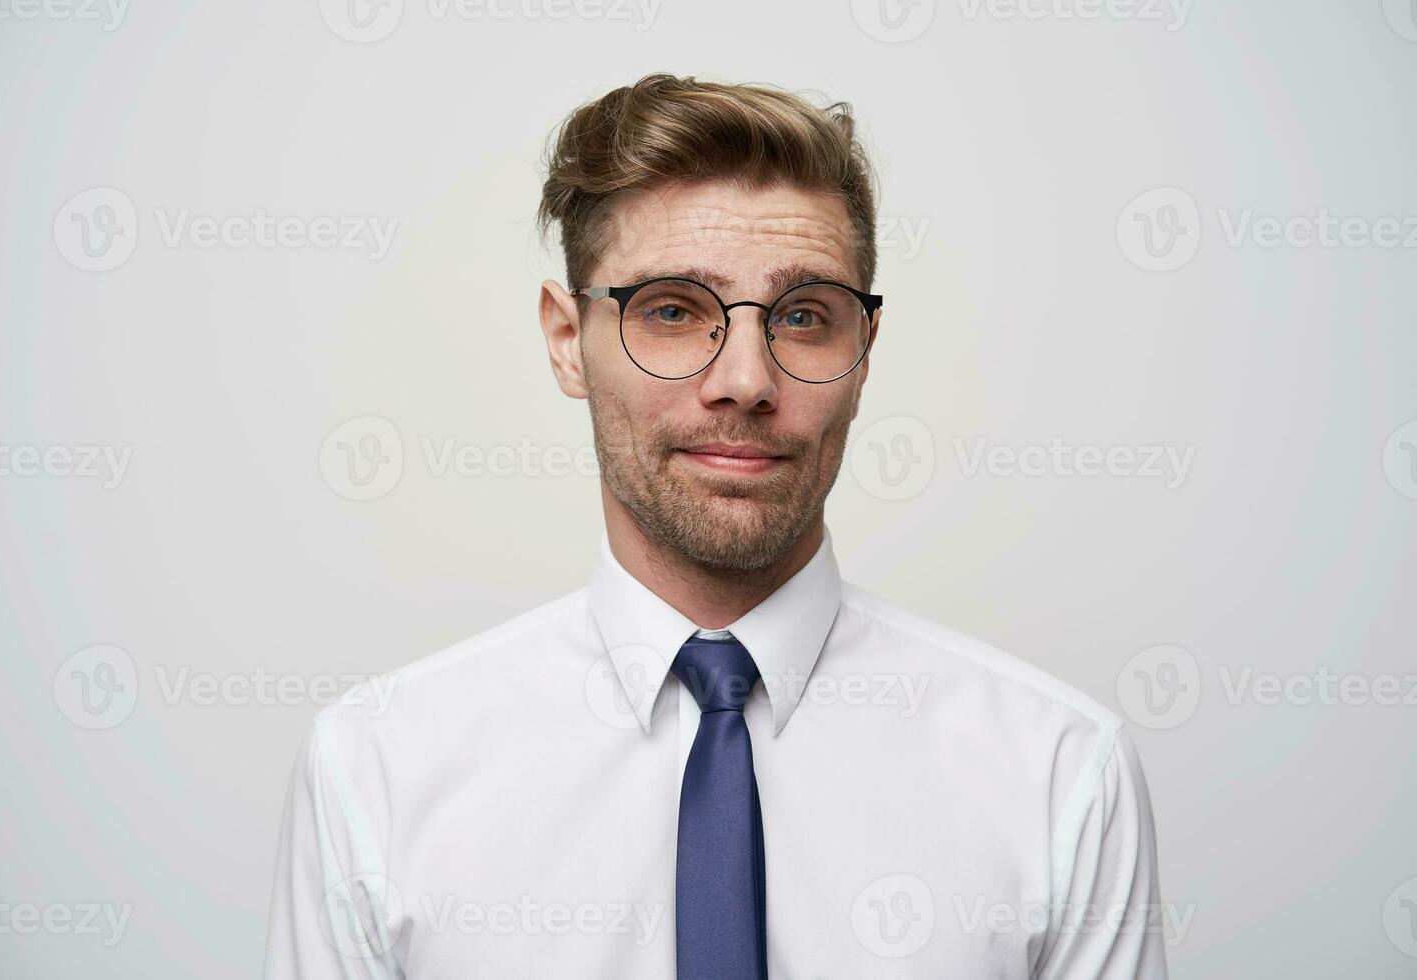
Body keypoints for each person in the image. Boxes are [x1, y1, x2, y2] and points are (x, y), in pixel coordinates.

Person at [264, 72, 1169, 979]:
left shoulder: (1058, 776)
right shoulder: (379, 770)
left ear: (863, 355)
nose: (745, 378)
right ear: (566, 340)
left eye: (805, 316)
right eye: (671, 310)